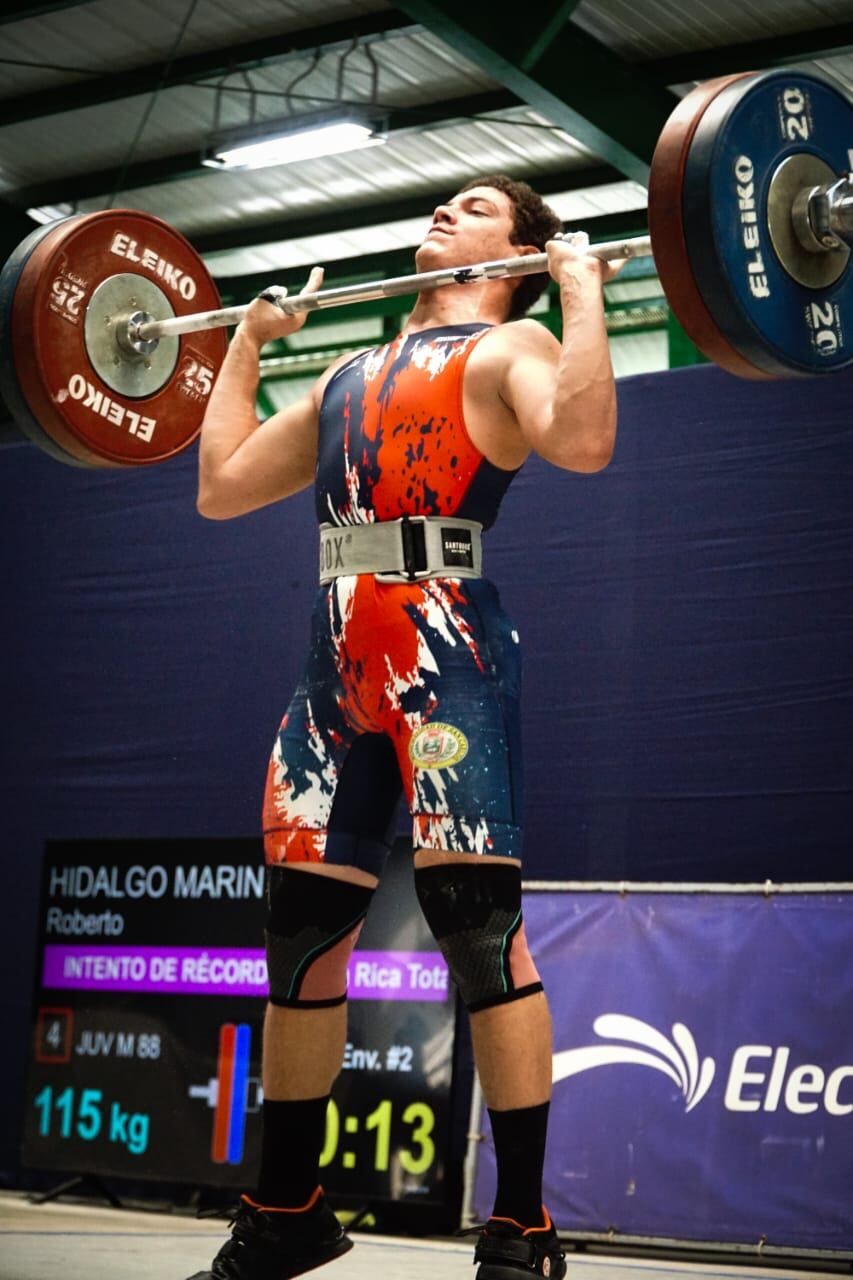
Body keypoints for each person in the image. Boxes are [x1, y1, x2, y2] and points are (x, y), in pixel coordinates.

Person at [188, 173, 623, 1280]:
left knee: (477, 927)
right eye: (447, 201)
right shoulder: (347, 372)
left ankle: (521, 1225)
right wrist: (247, 341)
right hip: (333, 671)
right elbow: (224, 483)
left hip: (447, 659)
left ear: (520, 252)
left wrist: (580, 298)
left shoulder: (513, 343)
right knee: (297, 935)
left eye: (477, 207)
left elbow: (580, 442)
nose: (446, 210)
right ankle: (286, 1208)